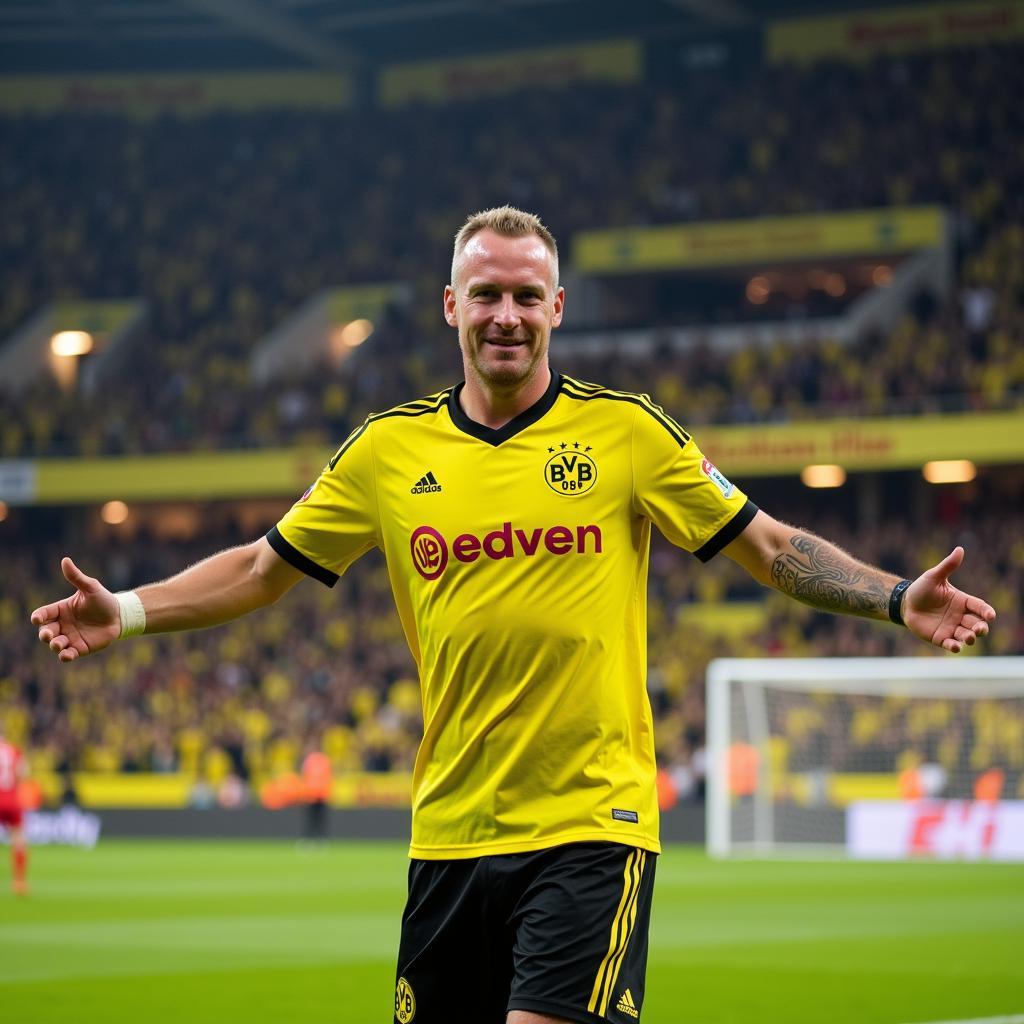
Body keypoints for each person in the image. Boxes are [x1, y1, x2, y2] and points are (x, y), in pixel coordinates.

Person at [31, 206, 996, 1024]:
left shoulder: (628, 433)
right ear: (451, 307)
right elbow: (259, 567)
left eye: (527, 296)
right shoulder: (385, 453)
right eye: (485, 294)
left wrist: (892, 595)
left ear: (558, 310)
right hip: (448, 835)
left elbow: (771, 546)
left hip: (590, 825)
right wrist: (129, 609)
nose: (506, 315)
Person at [0, 725, 30, 896]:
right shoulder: (14, 750)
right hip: (12, 799)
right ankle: (19, 882)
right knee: (18, 839)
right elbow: (22, 773)